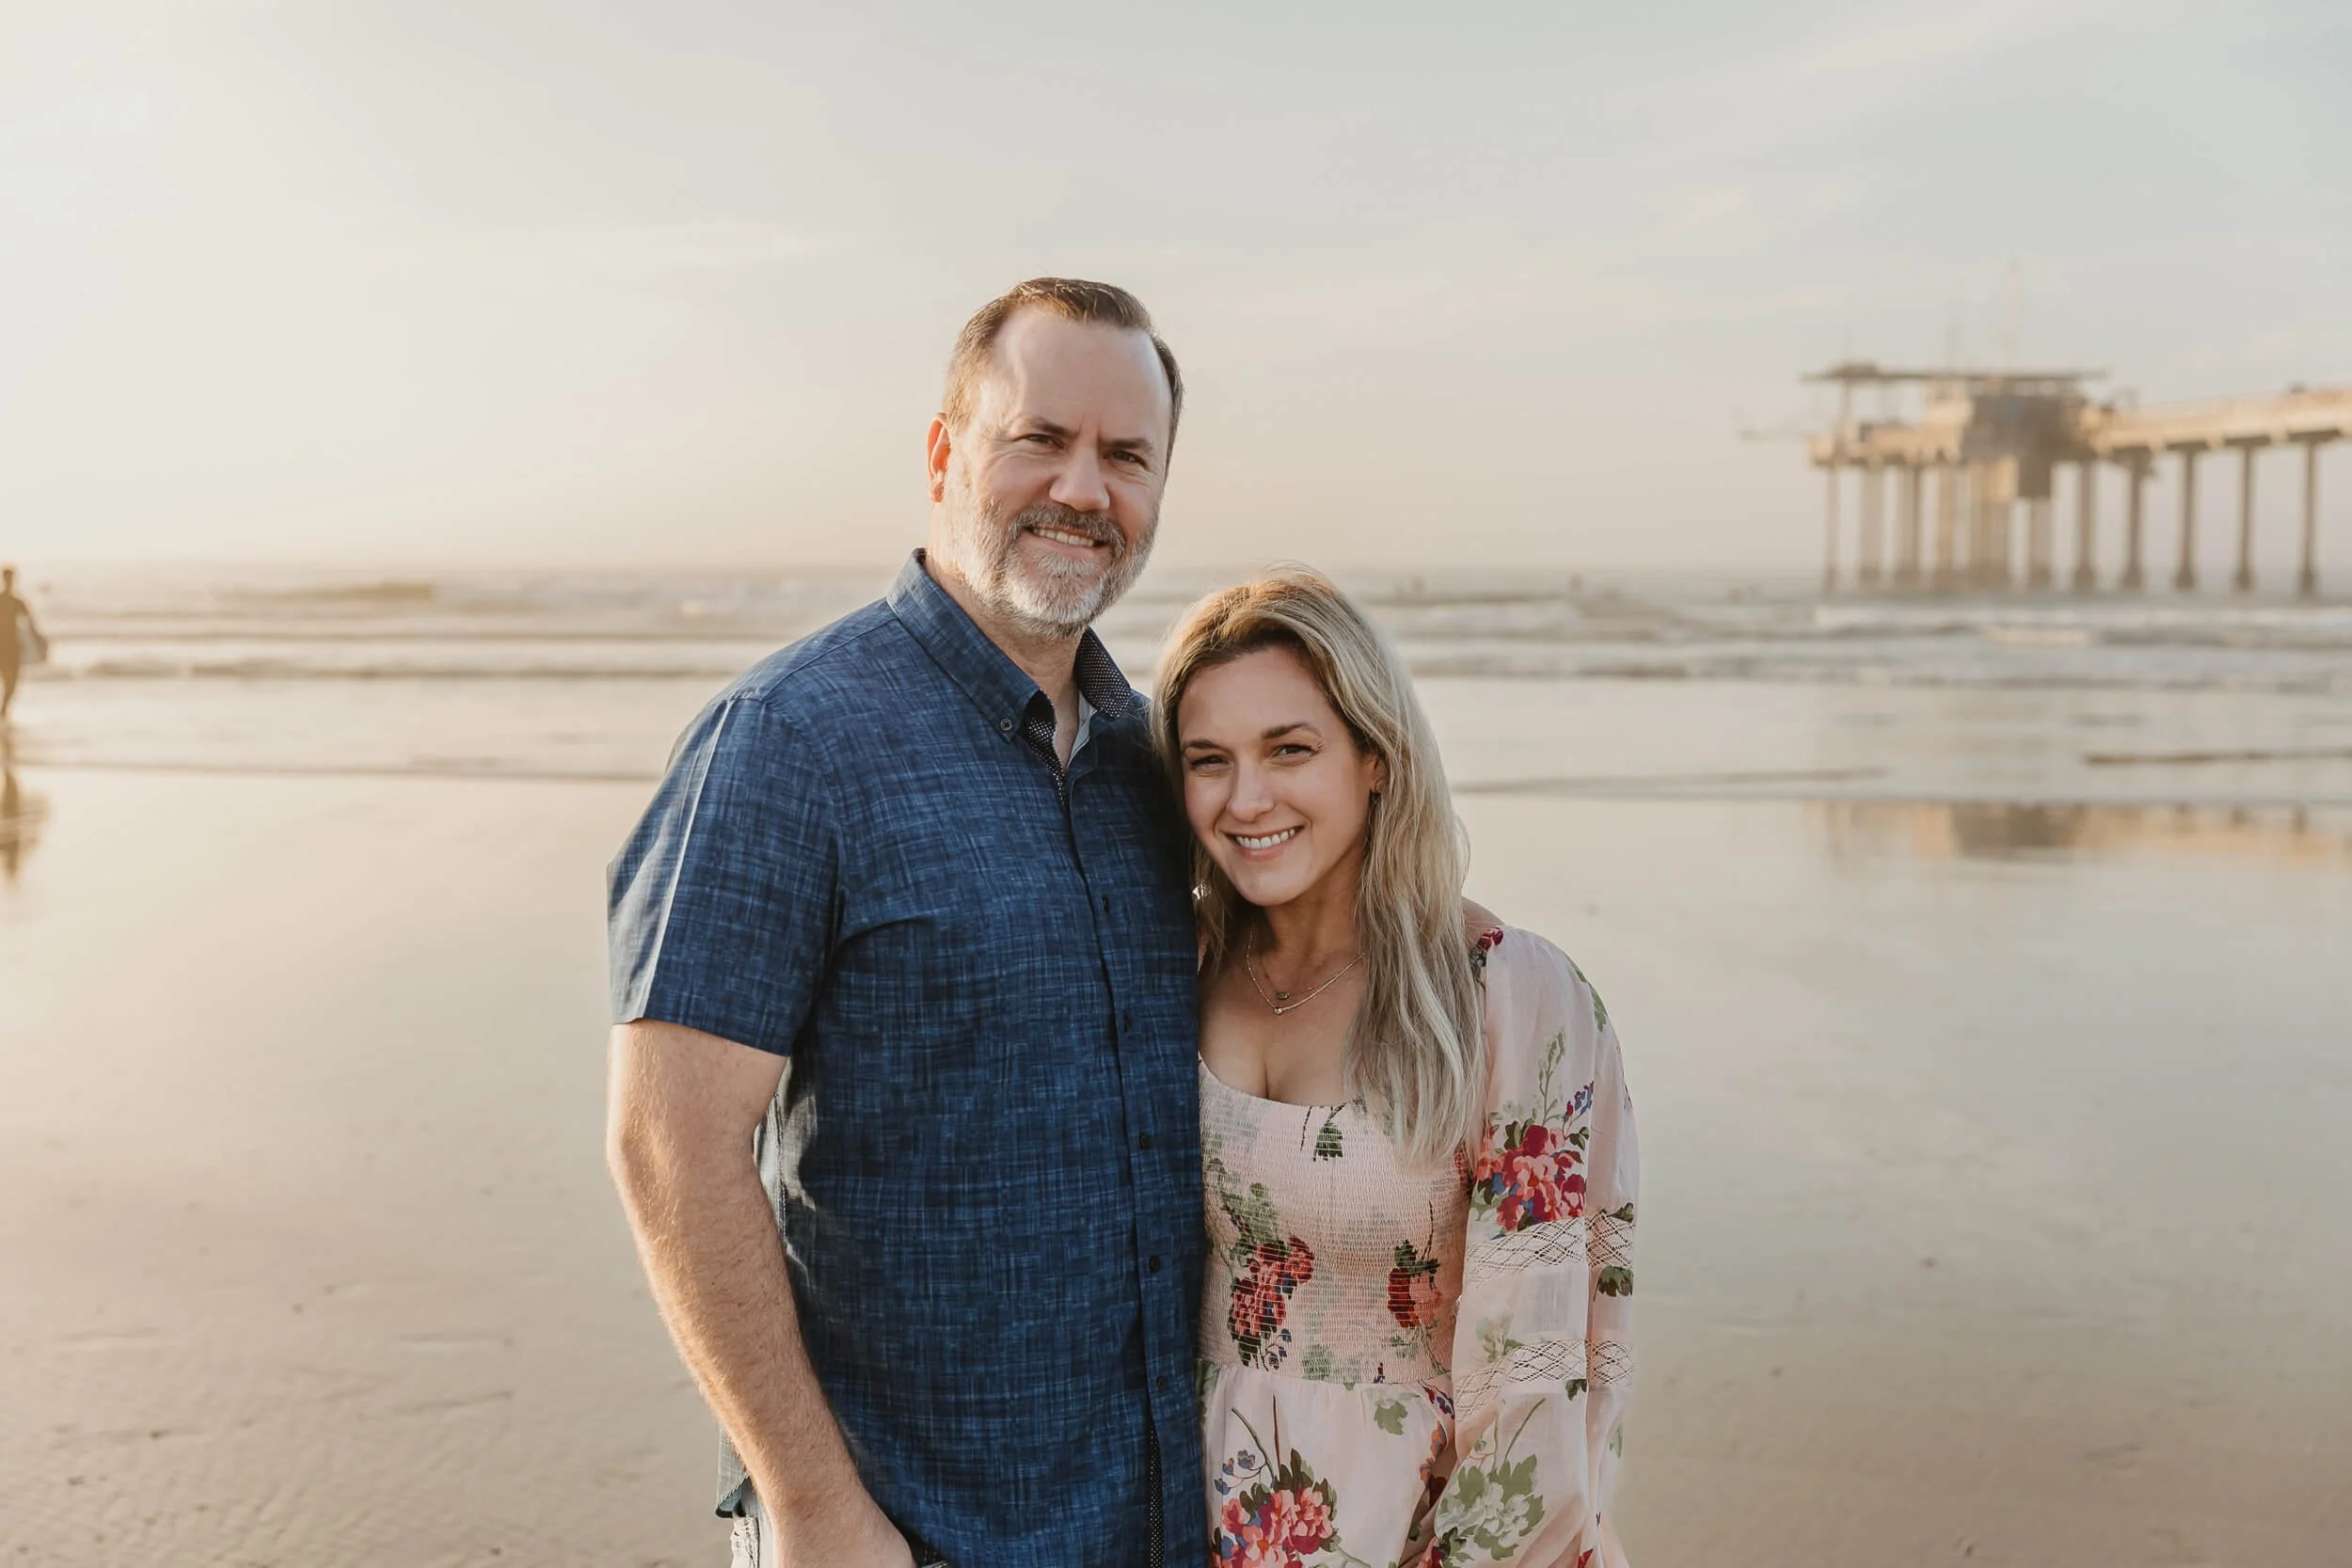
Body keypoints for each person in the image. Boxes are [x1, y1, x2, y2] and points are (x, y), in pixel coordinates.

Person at [605, 279, 1204, 1568]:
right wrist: (816, 1507)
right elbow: (670, 1141)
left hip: (1151, 1522)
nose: (1084, 489)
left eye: (1126, 456)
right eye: (1039, 438)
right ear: (945, 451)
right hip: (899, 1530)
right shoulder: (788, 743)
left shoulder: (1159, 765)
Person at [1155, 567, 1639, 1568]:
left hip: (1411, 1531)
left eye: (1289, 749)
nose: (1247, 799)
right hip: (1173, 1512)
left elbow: (1536, 1372)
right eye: (1208, 759)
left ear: (1375, 757)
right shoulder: (1176, 967)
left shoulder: (1506, 996)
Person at [1, 567, 43, 723]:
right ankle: (3, 713)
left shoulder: (17, 602)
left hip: (13, 646)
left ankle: (3, 712)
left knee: (13, 683)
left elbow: (30, 624)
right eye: (7, 578)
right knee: (7, 680)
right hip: (1, 646)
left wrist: (39, 641)